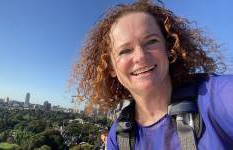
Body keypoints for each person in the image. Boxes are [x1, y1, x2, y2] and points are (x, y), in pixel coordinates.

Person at [70, 0, 233, 149]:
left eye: (151, 41)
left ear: (168, 48)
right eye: (125, 51)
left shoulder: (215, 97)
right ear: (110, 67)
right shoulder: (119, 137)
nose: (140, 56)